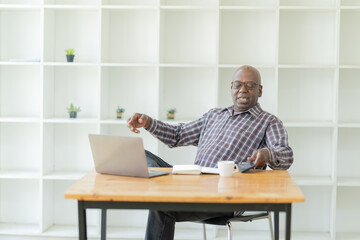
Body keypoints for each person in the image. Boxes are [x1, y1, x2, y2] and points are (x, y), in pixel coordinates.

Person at [127, 65, 293, 240]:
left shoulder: (269, 122)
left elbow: (286, 155)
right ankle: (151, 189)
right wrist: (147, 123)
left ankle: (158, 192)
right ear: (231, 88)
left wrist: (267, 154)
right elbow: (177, 135)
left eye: (250, 86)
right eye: (238, 85)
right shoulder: (214, 115)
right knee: (137, 153)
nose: (243, 90)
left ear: (259, 90)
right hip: (193, 182)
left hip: (225, 196)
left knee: (161, 206)